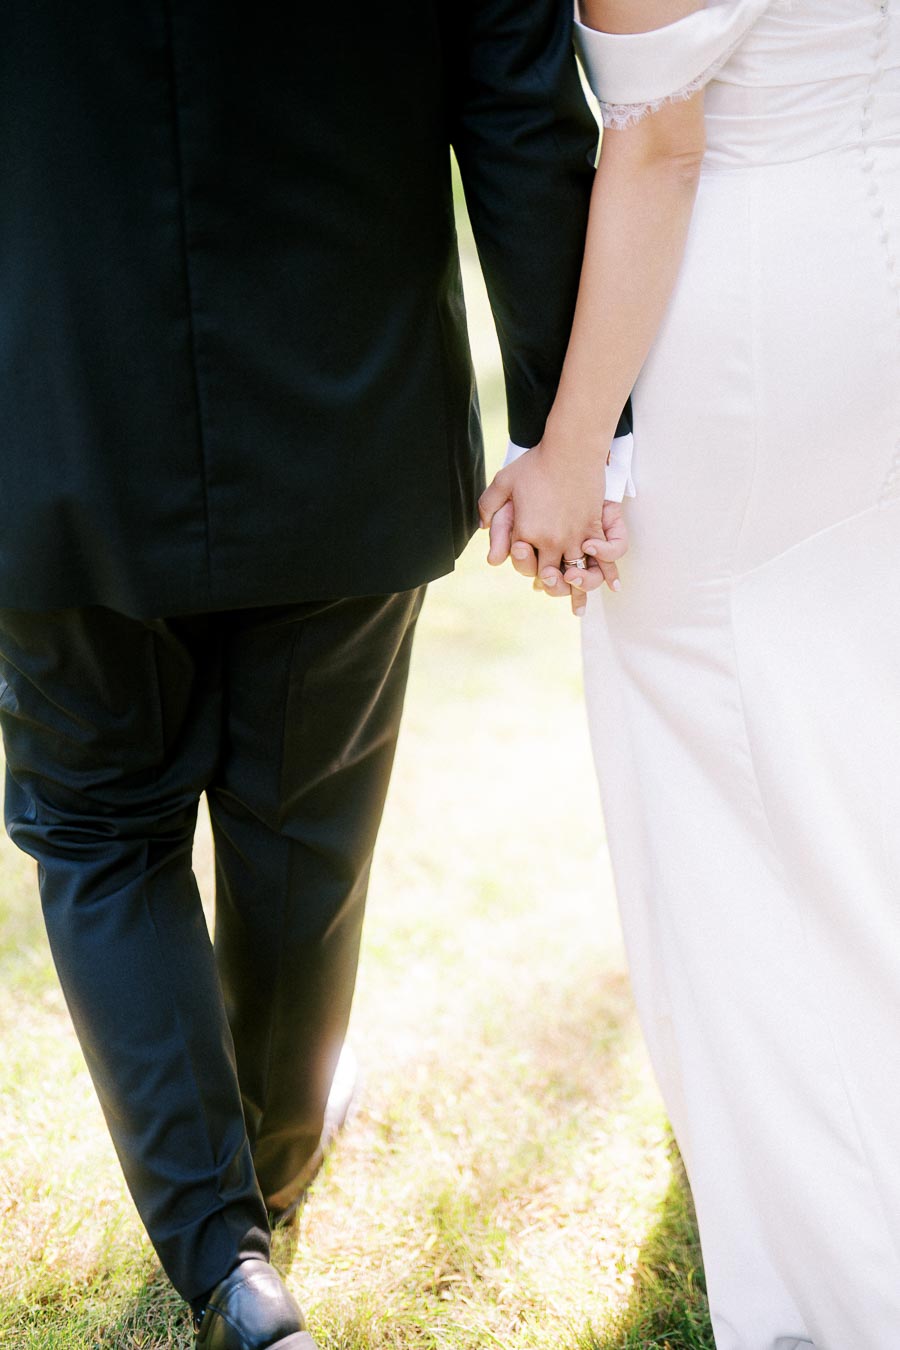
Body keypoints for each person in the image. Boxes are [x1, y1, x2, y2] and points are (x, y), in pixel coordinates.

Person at [0, 4, 630, 1346]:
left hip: (52, 406)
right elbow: (518, 98)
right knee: (302, 820)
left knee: (101, 825)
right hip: (346, 408)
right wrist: (575, 432)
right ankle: (266, 1172)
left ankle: (231, 1263)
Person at [480, 0, 900, 1346]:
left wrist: (570, 447)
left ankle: (839, 1249)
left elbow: (658, 143)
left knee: (719, 756)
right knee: (850, 733)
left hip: (758, 315)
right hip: (872, 250)